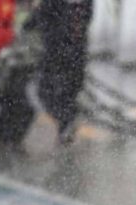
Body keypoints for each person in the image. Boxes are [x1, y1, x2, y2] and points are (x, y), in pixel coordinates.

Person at [28, 0, 93, 144]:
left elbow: (43, 17)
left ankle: (66, 122)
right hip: (72, 50)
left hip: (61, 51)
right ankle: (66, 123)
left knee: (53, 91)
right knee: (65, 92)